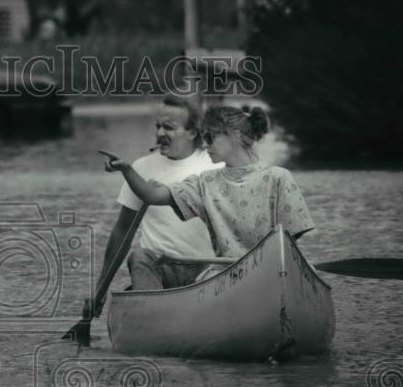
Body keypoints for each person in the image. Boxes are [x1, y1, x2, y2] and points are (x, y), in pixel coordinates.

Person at [103, 104, 313, 270]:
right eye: (203, 137)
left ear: (235, 135)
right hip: (226, 276)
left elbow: (291, 238)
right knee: (141, 257)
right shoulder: (205, 182)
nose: (204, 145)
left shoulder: (279, 178)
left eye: (210, 137)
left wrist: (264, 266)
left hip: (271, 273)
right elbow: (152, 195)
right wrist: (127, 169)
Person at [93, 95, 222, 312]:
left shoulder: (215, 167)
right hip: (161, 268)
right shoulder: (141, 168)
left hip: (208, 270)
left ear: (192, 132)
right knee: (140, 257)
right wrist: (100, 288)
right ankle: (152, 313)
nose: (160, 133)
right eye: (158, 126)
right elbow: (123, 231)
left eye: (169, 128)